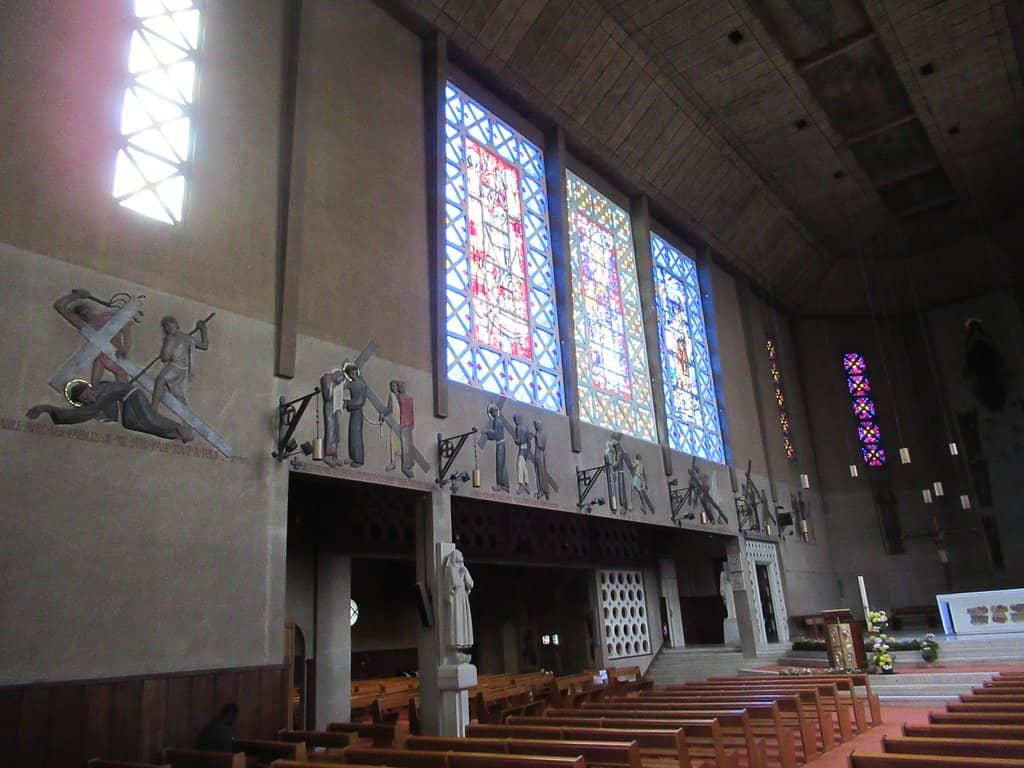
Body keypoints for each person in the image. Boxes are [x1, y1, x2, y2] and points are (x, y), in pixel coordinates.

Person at [27, 379, 193, 443]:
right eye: (85, 400)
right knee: (130, 423)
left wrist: (46, 408)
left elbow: (81, 414)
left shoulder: (101, 394)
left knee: (149, 419)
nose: (89, 399)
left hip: (134, 395)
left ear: (90, 389)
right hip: (125, 399)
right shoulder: (98, 396)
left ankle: (179, 428)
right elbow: (84, 412)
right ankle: (172, 434)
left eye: (88, 395)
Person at [53, 288, 133, 384]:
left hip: (117, 356)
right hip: (105, 357)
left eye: (86, 310)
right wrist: (76, 296)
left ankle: (102, 391)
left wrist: (125, 348)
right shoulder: (86, 326)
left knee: (120, 372)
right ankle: (94, 390)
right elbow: (60, 306)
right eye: (81, 313)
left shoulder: (107, 317)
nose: (85, 313)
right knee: (100, 363)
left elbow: (126, 328)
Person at [151, 315, 208, 413]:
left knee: (160, 379)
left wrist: (165, 354)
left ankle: (154, 408)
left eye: (168, 326)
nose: (168, 329)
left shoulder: (171, 338)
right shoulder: (188, 338)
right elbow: (204, 345)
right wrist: (203, 330)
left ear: (175, 325)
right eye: (166, 327)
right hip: (181, 370)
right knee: (178, 394)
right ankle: (186, 420)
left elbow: (165, 357)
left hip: (174, 367)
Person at [444, 548, 474, 659]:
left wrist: (465, 573)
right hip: (456, 597)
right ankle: (455, 646)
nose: (461, 561)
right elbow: (454, 584)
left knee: (463, 620)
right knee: (456, 620)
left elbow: (470, 583)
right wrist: (461, 574)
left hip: (463, 596)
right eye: (459, 558)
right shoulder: (450, 568)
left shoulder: (463, 568)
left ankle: (462, 646)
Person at [381, 379, 415, 478]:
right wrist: (383, 414)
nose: (393, 388)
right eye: (391, 386)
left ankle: (406, 465)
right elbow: (388, 408)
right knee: (393, 442)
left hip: (404, 423)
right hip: (394, 421)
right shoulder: (392, 396)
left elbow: (409, 411)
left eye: (395, 386)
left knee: (405, 445)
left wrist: (411, 423)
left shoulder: (404, 398)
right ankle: (393, 463)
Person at [342, 362, 366, 466]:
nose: (351, 374)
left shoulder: (360, 384)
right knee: (352, 434)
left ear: (355, 372)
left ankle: (359, 459)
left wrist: (347, 403)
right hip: (354, 412)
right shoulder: (353, 383)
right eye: (349, 373)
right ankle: (353, 457)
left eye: (352, 372)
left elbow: (360, 402)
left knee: (356, 434)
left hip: (357, 411)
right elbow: (344, 386)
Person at [485, 402, 508, 492]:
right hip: (501, 444)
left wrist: (488, 431)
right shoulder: (497, 420)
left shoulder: (497, 421)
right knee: (503, 465)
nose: (492, 414)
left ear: (494, 412)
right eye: (491, 412)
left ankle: (500, 485)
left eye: (492, 412)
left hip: (500, 444)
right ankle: (506, 485)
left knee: (500, 464)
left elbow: (496, 435)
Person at [512, 414, 532, 496]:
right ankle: (526, 484)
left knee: (520, 465)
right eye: (515, 420)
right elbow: (528, 439)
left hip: (522, 448)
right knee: (523, 466)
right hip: (526, 448)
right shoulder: (525, 428)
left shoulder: (518, 428)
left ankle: (521, 484)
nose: (516, 421)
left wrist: (515, 439)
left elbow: (520, 440)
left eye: (516, 419)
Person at [532, 419, 549, 500]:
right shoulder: (537, 433)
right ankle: (540, 490)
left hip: (541, 454)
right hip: (536, 454)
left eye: (537, 425)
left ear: (540, 425)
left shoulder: (543, 434)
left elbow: (541, 446)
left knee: (542, 472)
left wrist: (536, 437)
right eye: (535, 425)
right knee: (537, 472)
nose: (536, 426)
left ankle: (544, 490)